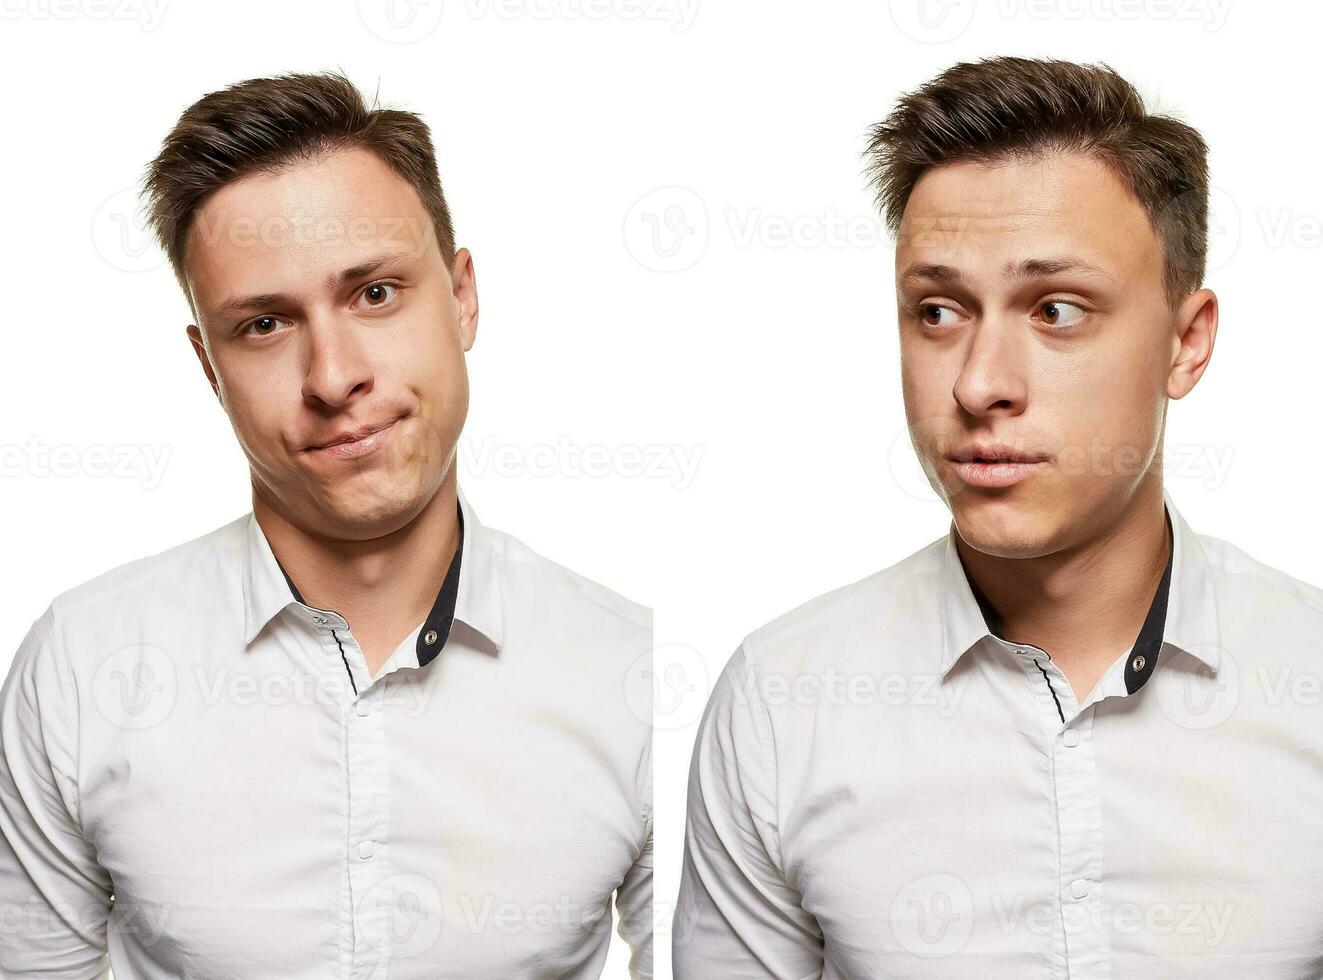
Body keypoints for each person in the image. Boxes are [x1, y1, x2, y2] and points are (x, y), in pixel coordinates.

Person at [673, 56, 1323, 979]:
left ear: (1186, 341)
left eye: (1055, 310)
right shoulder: (781, 707)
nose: (978, 384)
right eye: (936, 312)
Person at [0, 70, 652, 980]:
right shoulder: (81, 667)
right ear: (207, 364)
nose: (333, 375)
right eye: (265, 323)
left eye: (375, 294)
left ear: (461, 298)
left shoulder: (634, 673)